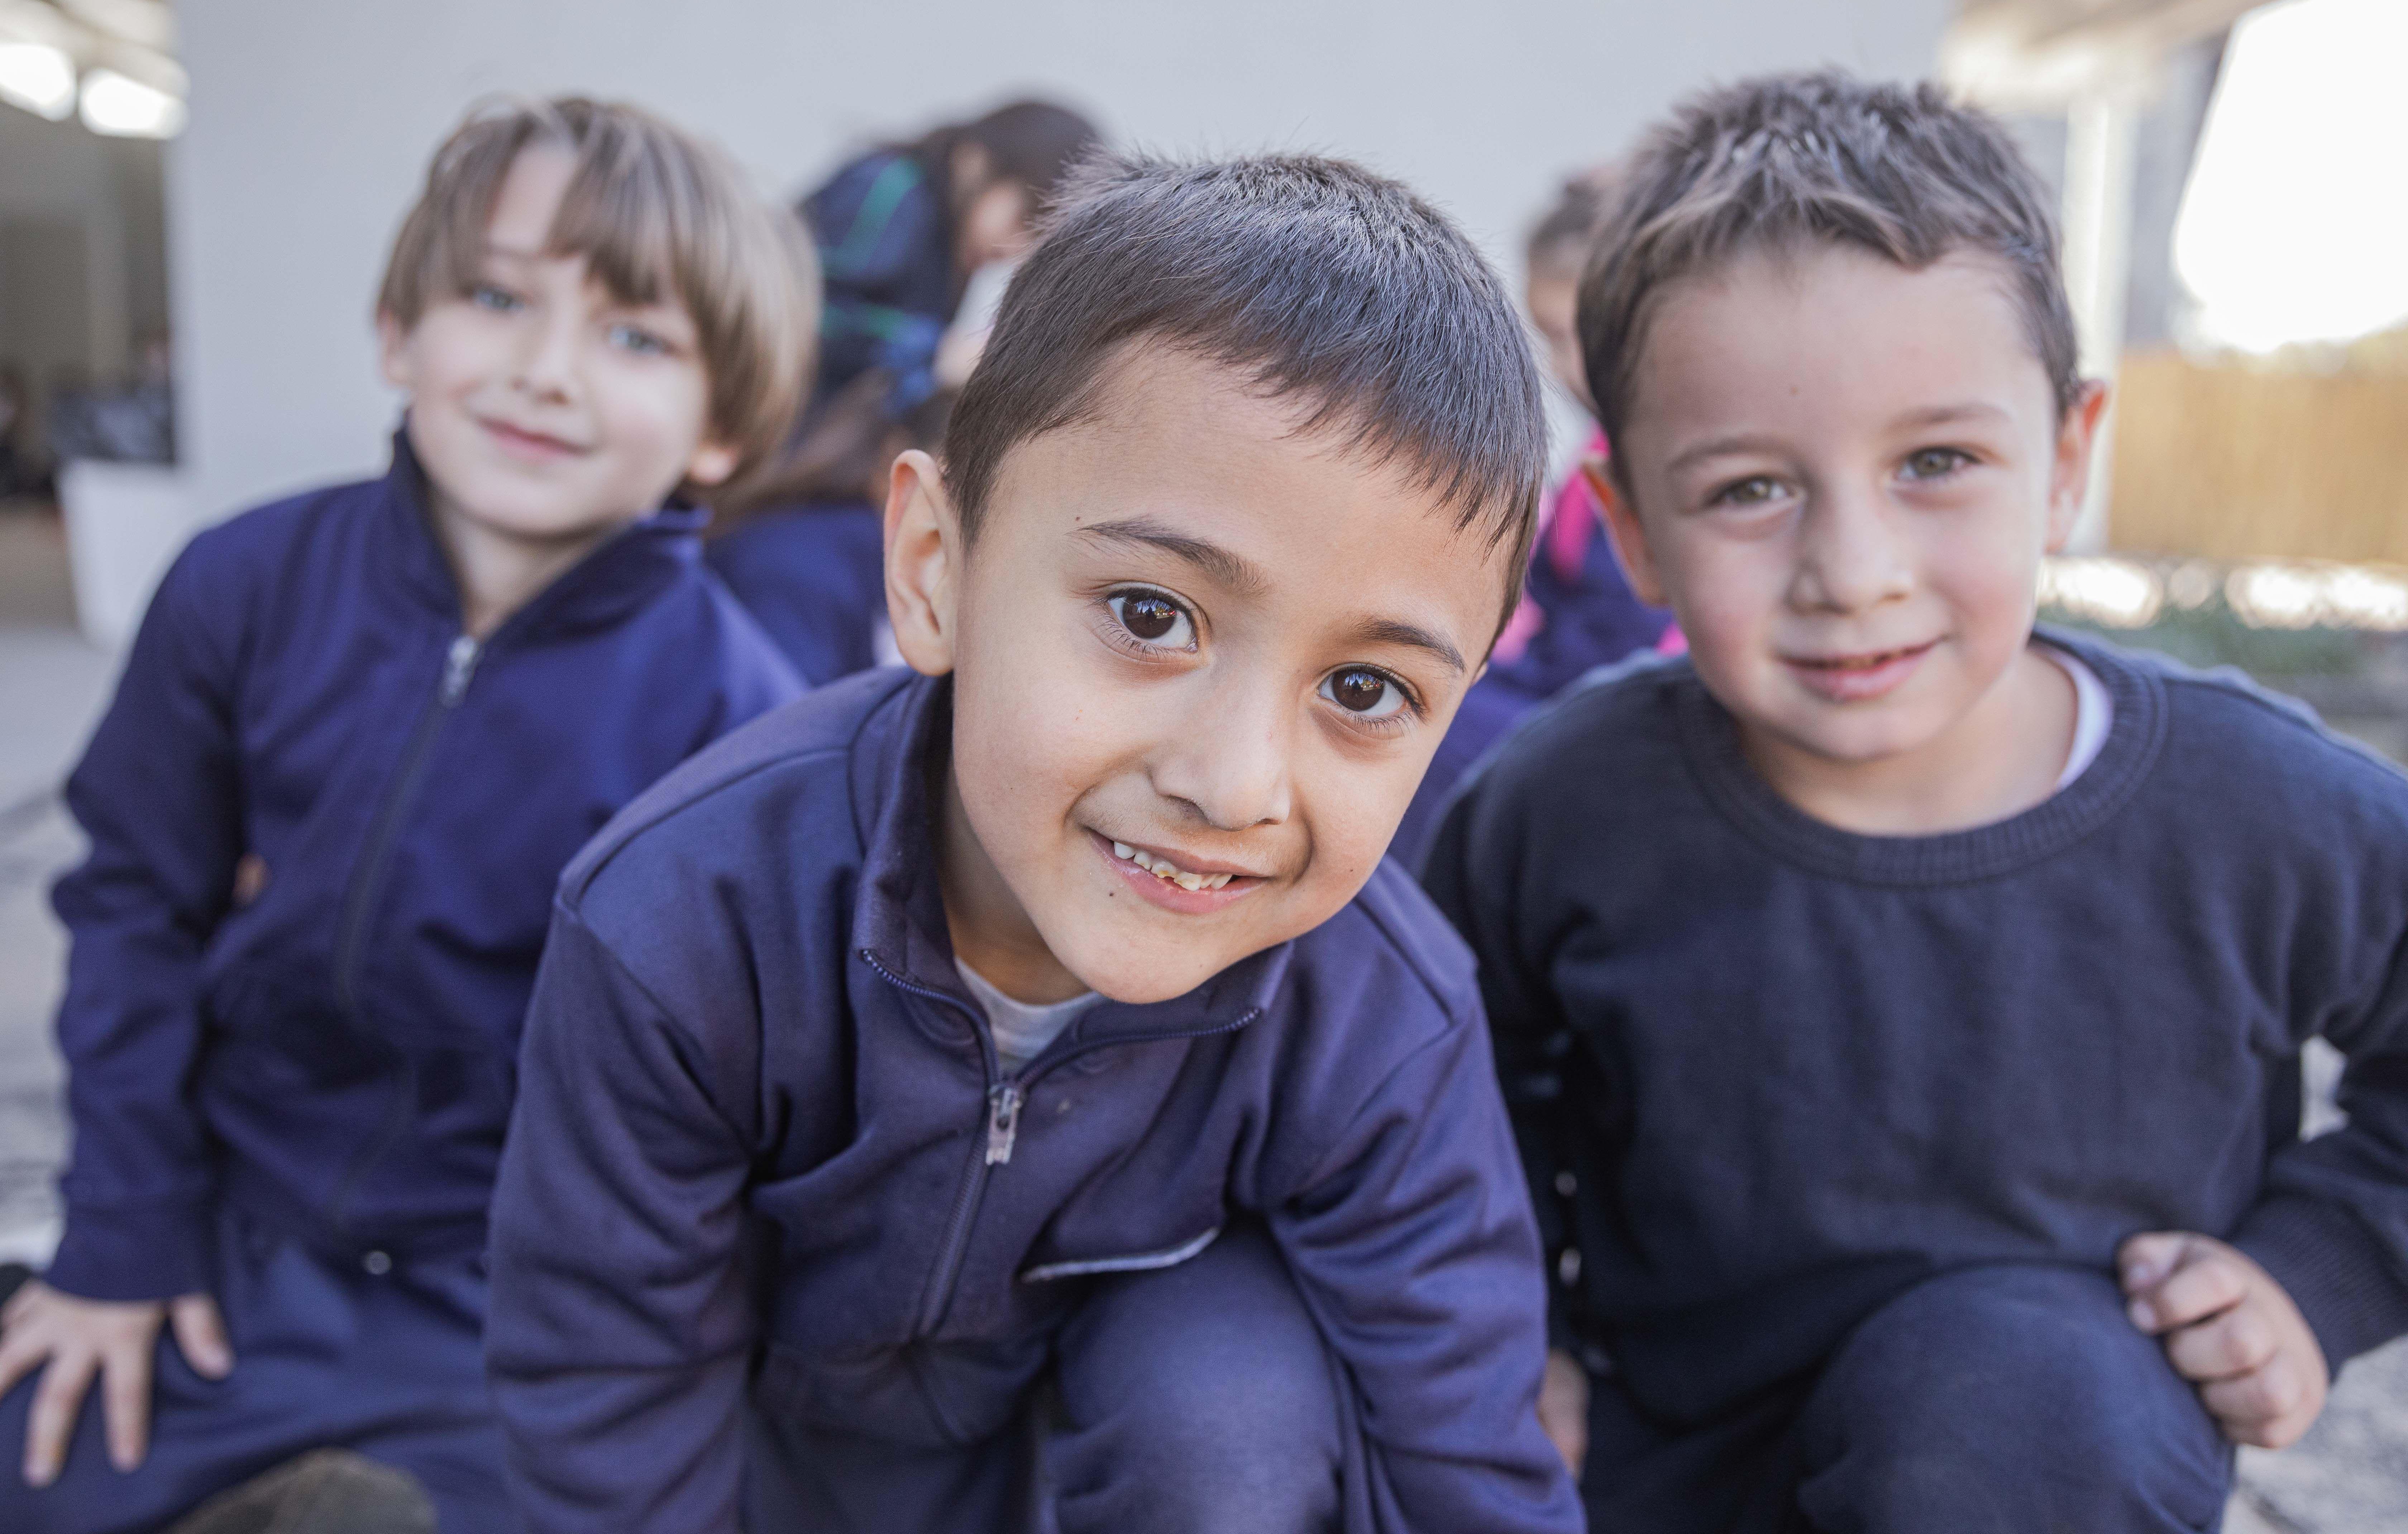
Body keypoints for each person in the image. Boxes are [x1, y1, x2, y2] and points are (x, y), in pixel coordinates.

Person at [485, 152, 1584, 1534]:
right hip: (767, 1461)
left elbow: (1462, 1449)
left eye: (1365, 692)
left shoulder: (1379, 1020)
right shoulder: (687, 920)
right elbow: (607, 1394)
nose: (1233, 784)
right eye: (1148, 614)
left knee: (1235, 1401)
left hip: (1097, 1468)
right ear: (934, 571)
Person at [1424, 69, 2408, 1534]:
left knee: (2014, 1397)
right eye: (1753, 489)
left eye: (1937, 463)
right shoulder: (1564, 805)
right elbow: (1439, 1085)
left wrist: (2317, 1271)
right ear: (1630, 527)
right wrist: (1512, 1337)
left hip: (2033, 1461)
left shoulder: (2263, 811)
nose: (1856, 567)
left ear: (2066, 461)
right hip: (1655, 1463)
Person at [0, 96, 816, 1533]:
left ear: (724, 428)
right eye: (498, 298)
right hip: (226, 1229)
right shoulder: (243, 585)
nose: (545, 372)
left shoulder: (741, 718)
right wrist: (121, 1232)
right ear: (398, 331)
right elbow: (132, 903)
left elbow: (727, 1101)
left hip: (509, 1293)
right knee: (46, 1459)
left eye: (636, 336)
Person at [706, 99, 1100, 685]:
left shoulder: (943, 243)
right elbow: (801, 310)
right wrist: (933, 353)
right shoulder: (890, 190)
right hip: (763, 461)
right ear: (976, 162)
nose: (1015, 246)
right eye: (1023, 218)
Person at [1388, 170, 1670, 865]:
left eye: (1578, 333)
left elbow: (1617, 650)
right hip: (1545, 688)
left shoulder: (1660, 471)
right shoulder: (1594, 461)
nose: (1564, 364)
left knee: (1421, 732)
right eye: (1548, 334)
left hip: (1608, 721)